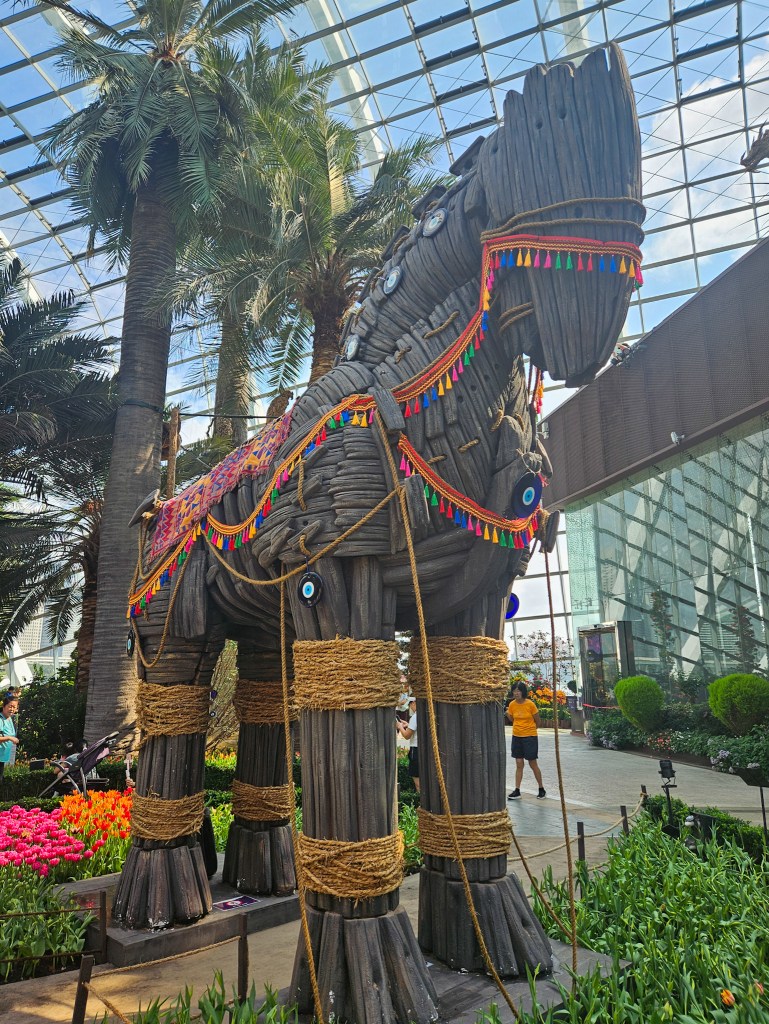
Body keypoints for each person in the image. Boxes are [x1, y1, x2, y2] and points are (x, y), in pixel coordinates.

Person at [506, 683, 546, 799]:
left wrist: (531, 731)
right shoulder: (512, 704)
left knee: (532, 763)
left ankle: (541, 788)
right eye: (514, 691)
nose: (516, 693)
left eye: (518, 691)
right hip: (516, 736)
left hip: (530, 737)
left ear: (523, 692)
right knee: (519, 763)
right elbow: (512, 719)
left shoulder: (530, 704)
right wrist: (507, 714)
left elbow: (538, 721)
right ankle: (517, 790)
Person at [396, 696, 419, 793]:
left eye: (410, 704)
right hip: (423, 749)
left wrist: (400, 727)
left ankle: (420, 799)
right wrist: (408, 725)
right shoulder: (423, 715)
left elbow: (406, 736)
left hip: (416, 750)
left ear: (414, 703)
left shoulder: (415, 717)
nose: (410, 707)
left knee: (417, 781)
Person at [0, 694, 19, 780]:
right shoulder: (1, 719)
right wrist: (9, 738)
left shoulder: (9, 718)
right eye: (10, 706)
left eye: (14, 707)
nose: (12, 709)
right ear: (4, 706)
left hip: (2, 757)